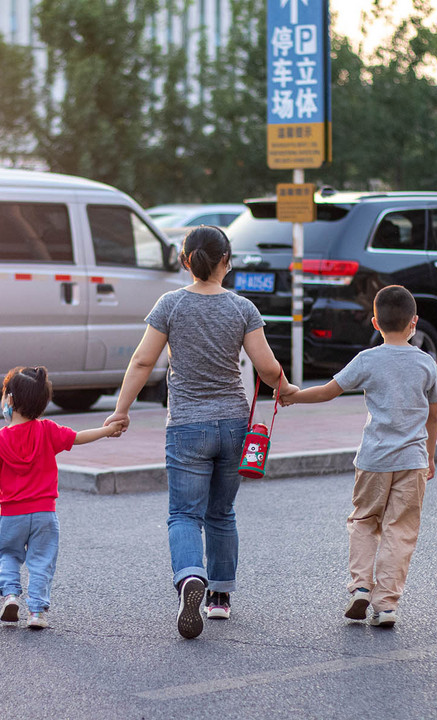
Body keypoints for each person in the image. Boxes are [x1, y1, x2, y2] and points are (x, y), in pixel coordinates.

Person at [104, 226, 291, 639]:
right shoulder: (243, 308)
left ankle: (191, 576)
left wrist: (121, 411)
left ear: (186, 260)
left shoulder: (170, 304)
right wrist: (284, 387)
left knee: (184, 514)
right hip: (233, 425)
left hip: (187, 424)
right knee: (221, 513)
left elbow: (141, 362)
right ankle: (220, 597)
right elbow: (267, 367)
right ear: (227, 262)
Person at [279, 285, 437, 627]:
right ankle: (386, 605)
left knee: (364, 522)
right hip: (412, 460)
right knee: (401, 530)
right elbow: (433, 416)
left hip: (373, 460)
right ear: (414, 322)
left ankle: (359, 588)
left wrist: (294, 396)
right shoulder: (426, 363)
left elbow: (328, 391)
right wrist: (429, 456)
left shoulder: (368, 359)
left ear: (375, 322)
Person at [0, 366, 124, 630]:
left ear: (10, 401)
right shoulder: (47, 430)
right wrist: (106, 430)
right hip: (44, 514)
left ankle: (11, 595)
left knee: (7, 554)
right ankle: (37, 612)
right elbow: (77, 437)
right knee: (41, 561)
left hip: (12, 515)